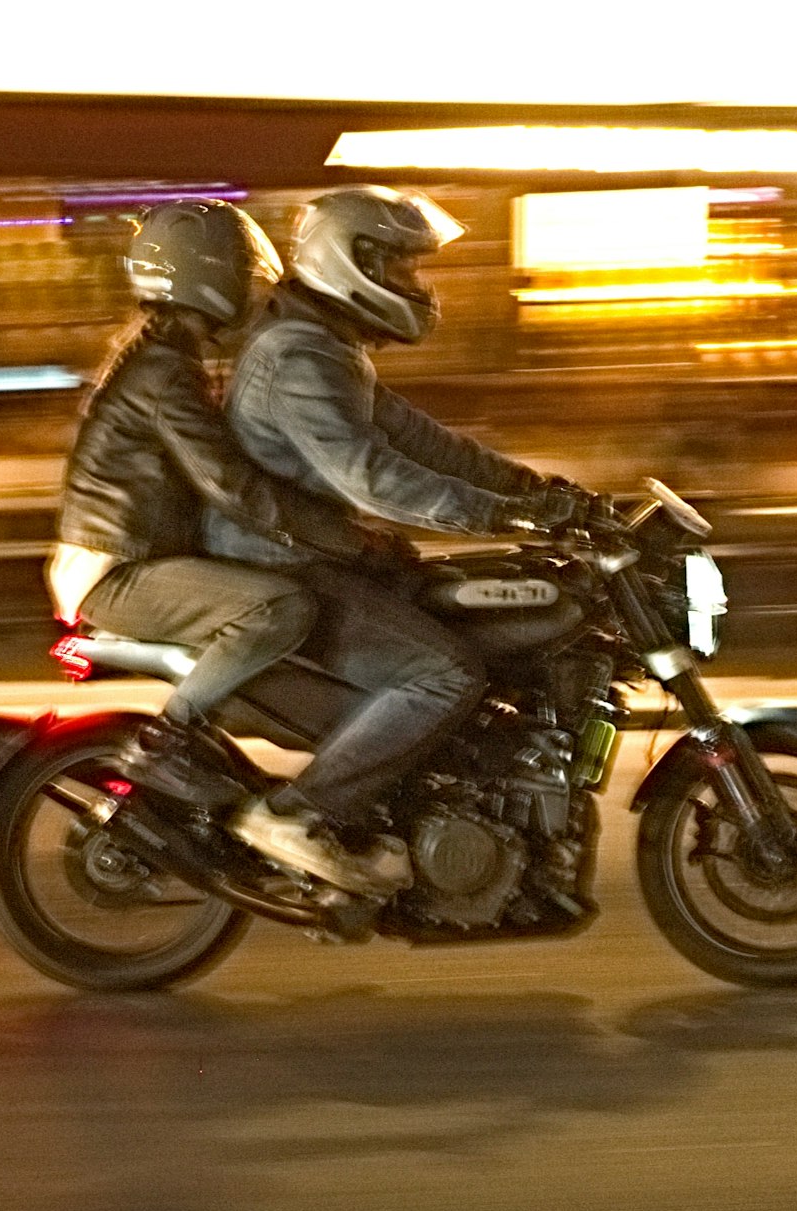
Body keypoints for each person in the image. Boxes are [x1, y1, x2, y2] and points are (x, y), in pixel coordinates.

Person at [218, 184, 601, 884]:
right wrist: (499, 515)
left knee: (461, 608)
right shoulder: (298, 356)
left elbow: (422, 442)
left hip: (316, 556)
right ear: (349, 261)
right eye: (399, 268)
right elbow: (372, 477)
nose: (413, 285)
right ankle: (299, 813)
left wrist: (534, 490)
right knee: (444, 672)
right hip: (286, 567)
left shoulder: (324, 347)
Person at [49, 201, 373, 863]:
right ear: (213, 275)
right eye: (246, 276)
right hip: (119, 571)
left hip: (124, 560)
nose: (256, 292)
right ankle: (166, 741)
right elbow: (230, 485)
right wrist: (337, 536)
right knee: (279, 607)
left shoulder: (164, 358)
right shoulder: (167, 372)